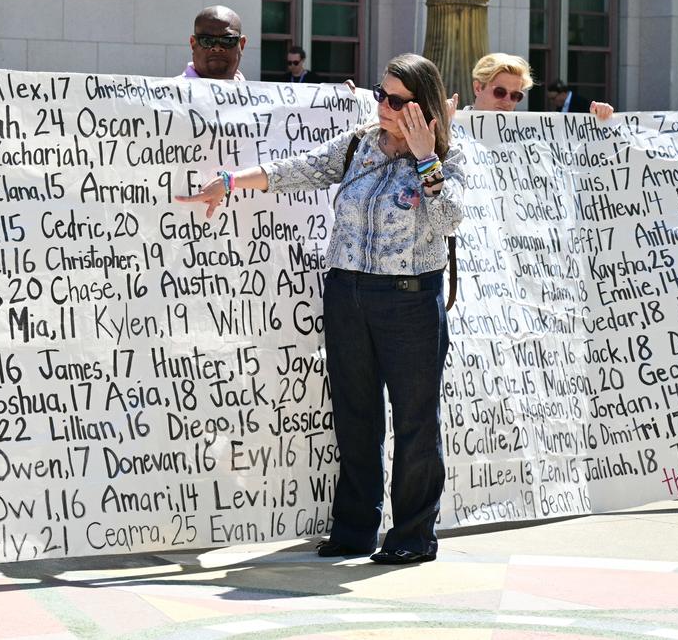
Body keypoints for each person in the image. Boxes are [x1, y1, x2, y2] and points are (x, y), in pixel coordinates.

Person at [177, 53, 465, 566]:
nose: (384, 106)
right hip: (347, 293)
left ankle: (413, 534)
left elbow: (450, 220)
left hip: (409, 299)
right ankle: (354, 529)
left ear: (422, 104)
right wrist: (231, 181)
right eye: (381, 94)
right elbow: (302, 168)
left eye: (397, 100)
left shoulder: (448, 155)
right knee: (356, 414)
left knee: (416, 418)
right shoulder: (360, 143)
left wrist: (426, 159)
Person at [178, 5, 247, 80]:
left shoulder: (257, 91)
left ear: (241, 44)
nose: (217, 48)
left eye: (227, 40)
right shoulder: (170, 90)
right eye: (207, 40)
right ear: (193, 43)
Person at [543, 78, 614, 119]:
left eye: (553, 98)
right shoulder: (559, 107)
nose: (552, 102)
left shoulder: (581, 102)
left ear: (563, 94)